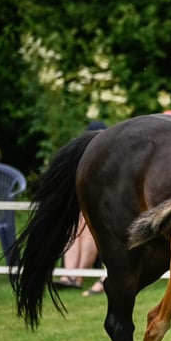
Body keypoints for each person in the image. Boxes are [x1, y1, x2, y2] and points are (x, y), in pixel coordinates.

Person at [53, 121, 106, 295]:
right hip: (84, 212)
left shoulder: (109, 163)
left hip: (102, 215)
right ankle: (69, 276)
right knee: (75, 227)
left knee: (88, 228)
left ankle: (78, 276)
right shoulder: (82, 164)